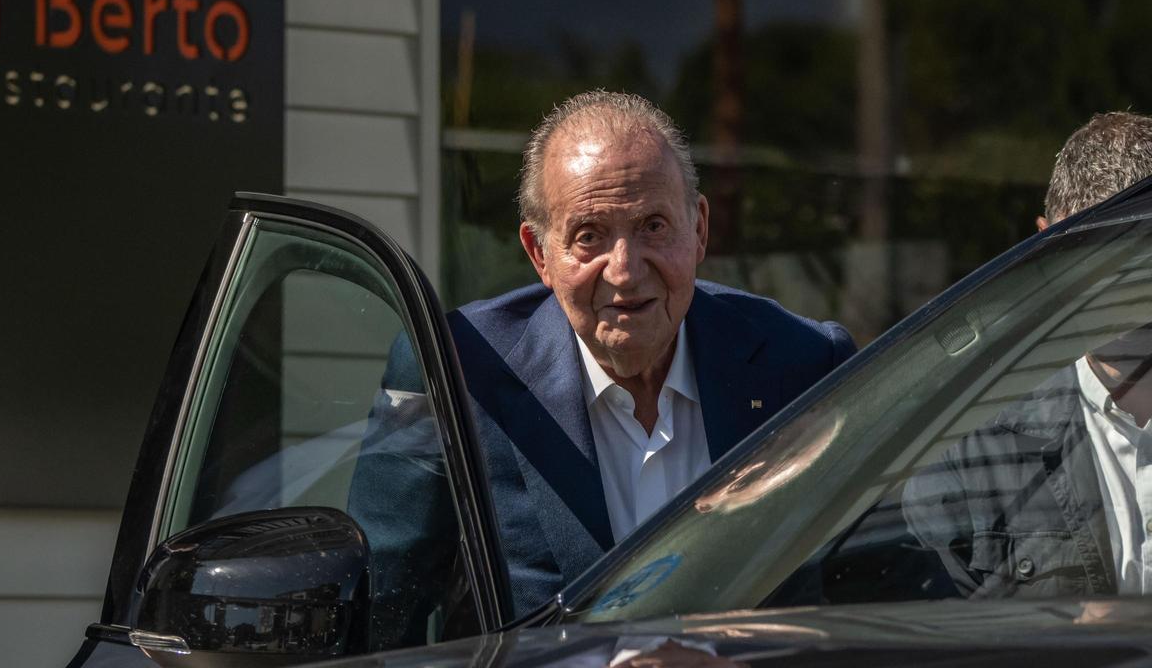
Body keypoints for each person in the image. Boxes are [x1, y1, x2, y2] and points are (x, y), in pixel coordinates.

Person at [449, 90, 856, 616]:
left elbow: (873, 584)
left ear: (700, 230)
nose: (625, 270)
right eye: (589, 235)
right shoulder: (464, 368)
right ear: (539, 254)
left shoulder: (803, 364)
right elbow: (392, 601)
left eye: (653, 227)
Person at [903, 111, 1152, 599]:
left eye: (1141, 256)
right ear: (1042, 248)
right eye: (1089, 260)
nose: (1115, 293)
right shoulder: (967, 452)